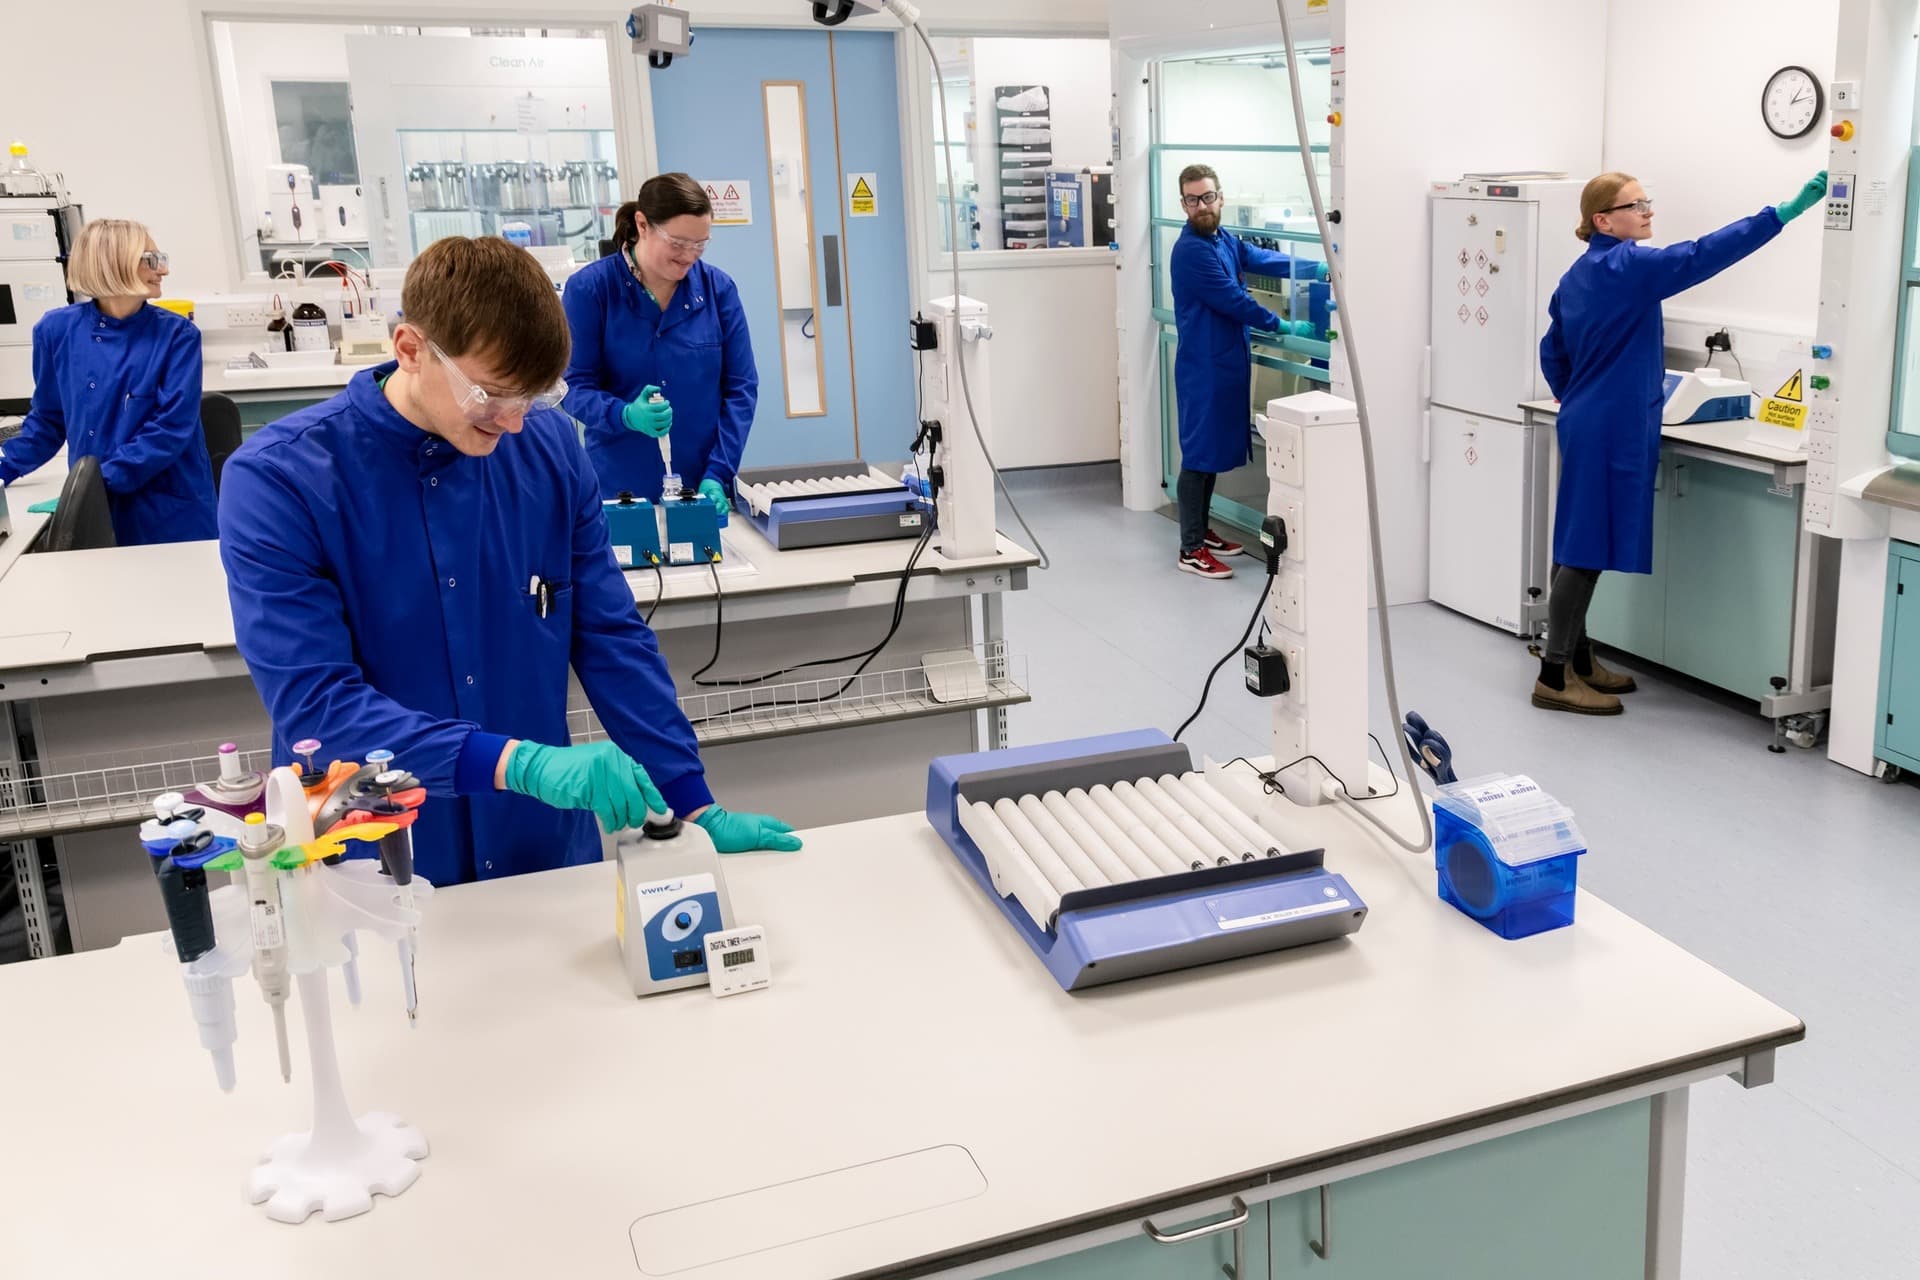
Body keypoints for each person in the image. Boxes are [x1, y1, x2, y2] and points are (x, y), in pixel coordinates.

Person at [217, 236, 799, 887]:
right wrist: (519, 765)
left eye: (534, 396)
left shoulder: (545, 445)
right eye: (492, 396)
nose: (515, 424)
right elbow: (317, 707)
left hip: (537, 851)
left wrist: (691, 800)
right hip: (372, 868)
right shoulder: (280, 481)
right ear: (410, 349)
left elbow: (610, 636)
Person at [1533, 169, 1828, 715]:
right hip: (1610, 425)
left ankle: (1576, 659)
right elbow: (1702, 254)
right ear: (1604, 220)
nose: (1648, 211)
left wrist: (1578, 396)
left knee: (1578, 542)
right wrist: (1780, 215)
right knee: (1583, 550)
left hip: (1587, 418)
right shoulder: (1630, 265)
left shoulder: (1579, 273)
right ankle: (1554, 676)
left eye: (1648, 201)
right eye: (1635, 205)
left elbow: (1553, 349)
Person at [0, 219, 215, 545]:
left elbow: (171, 429)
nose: (163, 270)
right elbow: (49, 420)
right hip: (96, 508)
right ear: (113, 263)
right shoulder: (55, 331)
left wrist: (94, 484)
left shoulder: (177, 335)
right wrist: (5, 468)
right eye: (152, 260)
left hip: (168, 509)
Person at [562, 173, 757, 514]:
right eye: (678, 243)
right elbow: (573, 387)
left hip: (702, 484)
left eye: (700, 245)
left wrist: (719, 471)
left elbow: (741, 389)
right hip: (620, 489)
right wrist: (623, 414)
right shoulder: (592, 290)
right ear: (643, 224)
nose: (689, 256)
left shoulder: (718, 290)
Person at [1168, 164, 1326, 580]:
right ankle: (1190, 548)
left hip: (1225, 363)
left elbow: (1262, 259)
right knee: (1199, 457)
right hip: (1203, 368)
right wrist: (1284, 325)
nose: (1201, 205)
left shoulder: (1223, 240)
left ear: (1220, 197)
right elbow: (1233, 300)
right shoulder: (1191, 252)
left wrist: (1315, 267)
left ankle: (1202, 532)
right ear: (1182, 204)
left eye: (1207, 197)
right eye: (1192, 199)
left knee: (1211, 455)